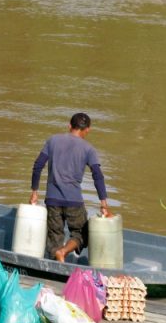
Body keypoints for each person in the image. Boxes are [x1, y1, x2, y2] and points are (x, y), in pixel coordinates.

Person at [29, 112, 110, 262]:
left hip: (52, 200)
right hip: (74, 201)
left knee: (54, 238)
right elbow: (97, 175)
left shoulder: (53, 140)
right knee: (82, 233)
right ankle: (65, 251)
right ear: (87, 130)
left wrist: (34, 192)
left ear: (69, 126)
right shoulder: (88, 149)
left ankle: (55, 263)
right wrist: (103, 203)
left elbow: (38, 165)